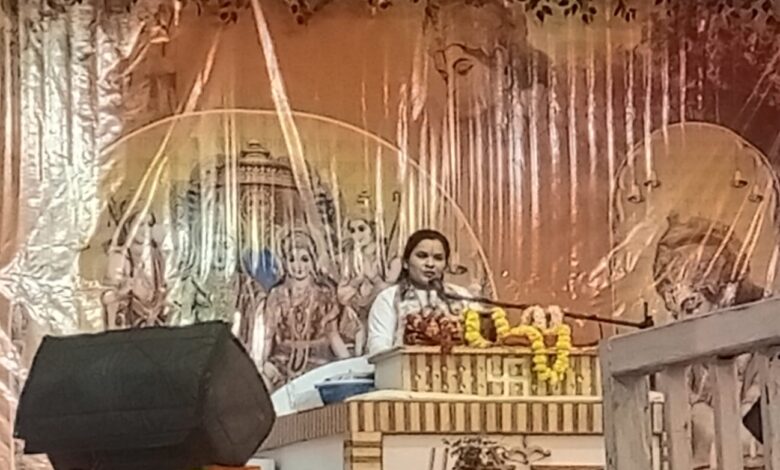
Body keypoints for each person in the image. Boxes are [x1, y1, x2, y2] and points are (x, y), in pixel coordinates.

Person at [366, 229, 472, 355]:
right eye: (422, 256)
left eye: (438, 258)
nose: (430, 264)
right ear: (405, 263)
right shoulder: (388, 298)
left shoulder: (461, 296)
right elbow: (379, 351)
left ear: (445, 265)